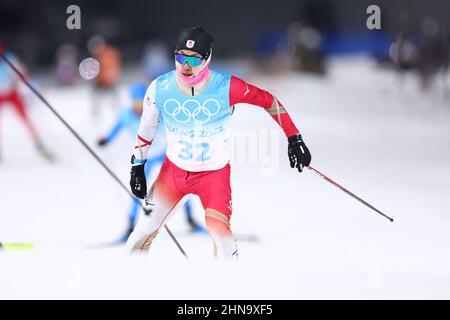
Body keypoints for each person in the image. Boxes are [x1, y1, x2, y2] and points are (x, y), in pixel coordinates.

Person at [126, 27, 312, 259]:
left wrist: (294, 138)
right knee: (139, 236)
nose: (185, 65)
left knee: (221, 236)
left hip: (213, 176)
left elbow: (269, 101)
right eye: (180, 57)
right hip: (172, 174)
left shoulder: (226, 86)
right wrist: (137, 166)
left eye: (194, 59)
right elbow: (147, 129)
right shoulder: (160, 88)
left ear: (207, 59)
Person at [97, 83, 205, 241]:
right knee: (137, 190)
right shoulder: (125, 115)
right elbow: (115, 130)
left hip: (163, 154)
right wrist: (105, 140)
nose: (138, 107)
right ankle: (130, 226)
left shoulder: (155, 112)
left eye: (141, 103)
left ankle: (191, 219)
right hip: (144, 158)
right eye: (136, 103)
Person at [0, 50, 53, 161]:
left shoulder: (8, 57)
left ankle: (39, 145)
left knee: (26, 119)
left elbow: (22, 72)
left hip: (12, 93)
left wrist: (27, 81)